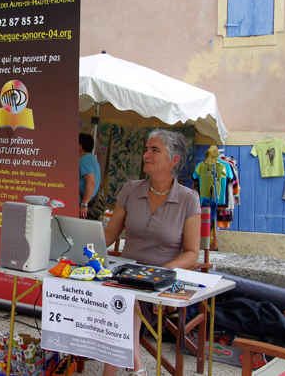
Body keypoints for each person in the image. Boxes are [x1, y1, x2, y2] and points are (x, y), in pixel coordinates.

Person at [102, 129, 201, 376]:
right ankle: (136, 368)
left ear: (174, 160)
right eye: (146, 149)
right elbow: (108, 235)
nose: (146, 154)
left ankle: (120, 370)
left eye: (154, 150)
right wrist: (82, 248)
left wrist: (160, 272)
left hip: (160, 281)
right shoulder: (130, 190)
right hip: (124, 274)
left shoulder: (189, 199)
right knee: (105, 294)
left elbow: (191, 253)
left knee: (125, 301)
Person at [79, 133, 101, 219]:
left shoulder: (85, 160)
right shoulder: (91, 158)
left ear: (80, 146)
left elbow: (91, 182)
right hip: (90, 203)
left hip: (87, 206)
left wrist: (84, 204)